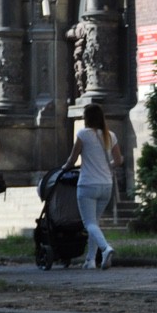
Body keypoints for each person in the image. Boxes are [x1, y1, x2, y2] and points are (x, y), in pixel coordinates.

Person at [62, 103, 123, 269]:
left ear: (87, 118)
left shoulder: (83, 134)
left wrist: (64, 168)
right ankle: (90, 260)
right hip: (106, 185)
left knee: (89, 223)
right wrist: (107, 165)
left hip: (88, 185)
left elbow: (72, 159)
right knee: (94, 223)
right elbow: (118, 160)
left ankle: (105, 248)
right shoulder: (110, 135)